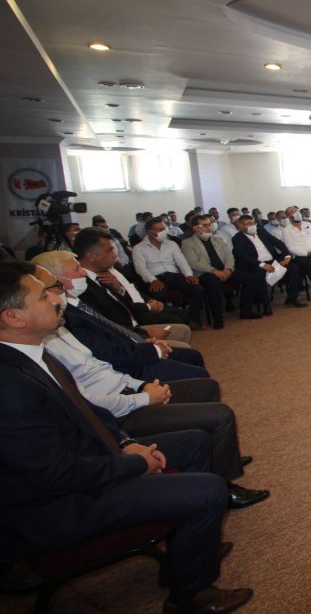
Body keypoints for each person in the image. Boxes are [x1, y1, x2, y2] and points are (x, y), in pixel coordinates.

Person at [0, 259, 253, 613]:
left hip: (91, 459)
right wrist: (133, 464)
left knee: (195, 442)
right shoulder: (10, 385)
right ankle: (192, 597)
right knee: (209, 490)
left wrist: (124, 443)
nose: (58, 299)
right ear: (13, 317)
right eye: (44, 296)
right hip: (55, 506)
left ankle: (189, 551)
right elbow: (54, 474)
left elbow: (88, 413)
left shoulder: (32, 355)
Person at [38, 278, 269, 511]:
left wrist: (142, 386)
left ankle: (220, 457)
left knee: (206, 387)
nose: (59, 294)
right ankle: (223, 486)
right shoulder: (47, 349)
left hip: (128, 387)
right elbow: (88, 402)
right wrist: (145, 397)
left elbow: (105, 368)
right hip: (119, 412)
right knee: (219, 416)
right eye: (48, 291)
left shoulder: (60, 330)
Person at [33, 252, 210, 383]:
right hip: (126, 366)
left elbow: (111, 326)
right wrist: (150, 347)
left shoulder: (76, 301)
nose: (84, 273)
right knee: (198, 373)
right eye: (77, 269)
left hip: (131, 342)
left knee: (192, 355)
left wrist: (140, 339)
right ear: (57, 279)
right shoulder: (66, 315)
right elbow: (104, 351)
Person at [74, 228, 191, 338]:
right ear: (92, 256)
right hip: (127, 330)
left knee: (183, 318)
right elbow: (111, 320)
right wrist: (147, 312)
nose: (115, 255)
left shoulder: (105, 272)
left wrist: (147, 301)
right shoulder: (83, 286)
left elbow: (128, 294)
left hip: (135, 315)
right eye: (109, 250)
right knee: (179, 327)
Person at [132, 217, 207, 331]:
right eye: (159, 229)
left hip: (174, 274)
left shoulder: (171, 244)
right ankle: (169, 325)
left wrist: (188, 275)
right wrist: (152, 280)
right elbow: (140, 268)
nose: (163, 231)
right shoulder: (139, 248)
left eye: (164, 228)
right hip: (156, 277)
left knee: (198, 289)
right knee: (158, 296)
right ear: (150, 232)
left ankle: (192, 320)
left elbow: (181, 261)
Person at [182, 214, 242, 329]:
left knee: (249, 277)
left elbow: (229, 256)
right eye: (205, 225)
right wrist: (214, 271)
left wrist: (228, 269)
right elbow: (193, 263)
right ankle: (218, 319)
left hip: (224, 269)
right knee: (213, 285)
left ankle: (245, 310)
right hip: (205, 272)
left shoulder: (217, 239)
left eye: (209, 224)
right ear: (195, 228)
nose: (209, 227)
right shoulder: (188, 243)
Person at [233, 214, 305, 309]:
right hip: (256, 264)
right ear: (241, 225)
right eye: (249, 224)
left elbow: (277, 242)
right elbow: (244, 257)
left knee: (293, 268)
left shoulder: (261, 231)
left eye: (253, 223)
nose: (252, 226)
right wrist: (263, 265)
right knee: (259, 275)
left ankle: (292, 297)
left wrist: (287, 255)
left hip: (272, 261)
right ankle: (266, 304)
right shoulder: (237, 238)